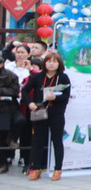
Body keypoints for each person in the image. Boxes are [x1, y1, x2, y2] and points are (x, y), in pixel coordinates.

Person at [25, 52, 72, 181]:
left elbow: (67, 95)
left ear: (59, 64)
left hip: (56, 113)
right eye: (49, 61)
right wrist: (30, 103)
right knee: (37, 141)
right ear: (44, 63)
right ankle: (36, 169)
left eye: (54, 61)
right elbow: (24, 90)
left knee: (57, 141)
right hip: (40, 112)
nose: (51, 64)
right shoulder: (37, 77)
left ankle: (58, 169)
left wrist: (56, 97)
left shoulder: (63, 78)